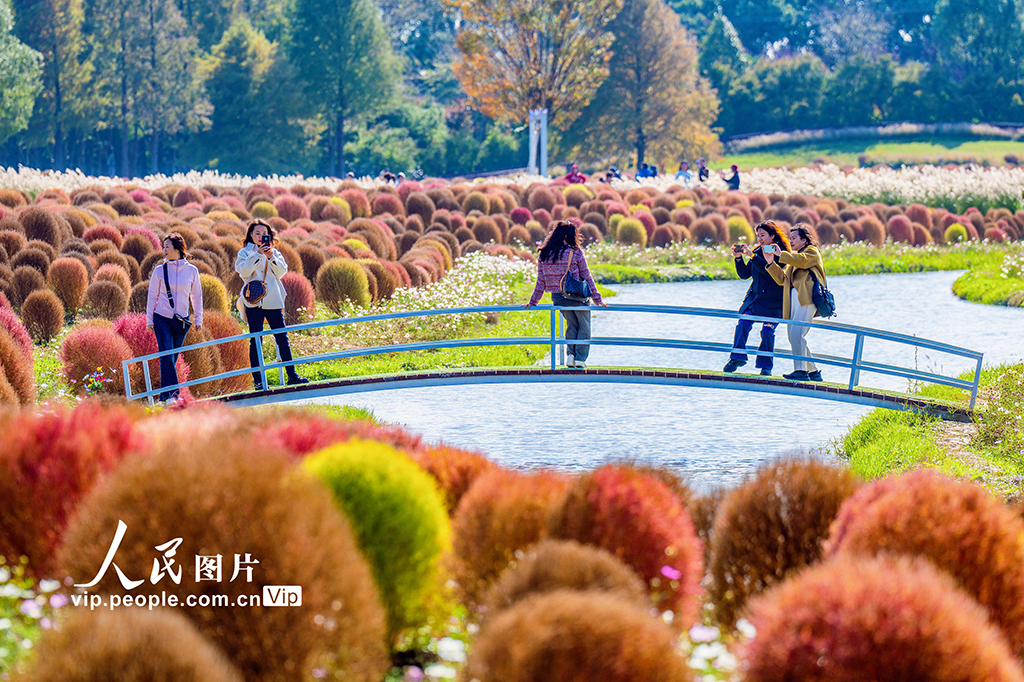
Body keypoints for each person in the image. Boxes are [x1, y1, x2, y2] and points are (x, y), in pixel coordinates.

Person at [235, 220, 309, 390]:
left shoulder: (274, 252)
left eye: (264, 234)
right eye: (257, 233)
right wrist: (257, 255)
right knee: (256, 341)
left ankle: (292, 374)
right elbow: (244, 271)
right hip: (253, 302)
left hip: (273, 300)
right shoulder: (244, 253)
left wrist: (270, 257)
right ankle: (259, 380)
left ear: (270, 235)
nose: (261, 237)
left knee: (282, 338)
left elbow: (282, 272)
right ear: (250, 235)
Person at [524, 220, 607, 368]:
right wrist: (597, 298)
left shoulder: (544, 254)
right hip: (578, 296)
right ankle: (580, 359)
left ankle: (570, 356)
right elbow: (587, 277)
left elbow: (540, 282)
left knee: (572, 325)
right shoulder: (575, 253)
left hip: (559, 298)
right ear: (571, 236)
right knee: (584, 326)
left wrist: (533, 302)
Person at [723, 220, 790, 376]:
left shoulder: (780, 252)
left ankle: (766, 366)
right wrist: (739, 258)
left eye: (763, 235)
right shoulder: (757, 251)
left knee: (767, 331)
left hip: (774, 303)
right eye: (758, 235)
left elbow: (769, 271)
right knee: (743, 323)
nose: (759, 238)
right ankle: (737, 358)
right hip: (755, 299)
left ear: (772, 236)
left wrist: (752, 255)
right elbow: (745, 274)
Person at [146, 233, 203, 403]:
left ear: (178, 248)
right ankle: (174, 396)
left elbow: (197, 296)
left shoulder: (192, 270)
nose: (164, 250)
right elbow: (152, 296)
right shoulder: (159, 270)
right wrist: (149, 319)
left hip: (181, 321)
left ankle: (165, 396)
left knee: (171, 358)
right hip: (161, 318)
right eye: (163, 247)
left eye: (167, 246)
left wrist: (198, 319)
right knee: (166, 355)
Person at [765, 223, 826, 382]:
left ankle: (800, 370)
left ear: (804, 240)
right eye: (789, 238)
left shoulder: (811, 252)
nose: (790, 241)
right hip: (795, 301)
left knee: (796, 334)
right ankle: (813, 371)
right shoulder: (794, 259)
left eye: (794, 238)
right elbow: (782, 280)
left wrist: (782, 255)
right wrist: (771, 262)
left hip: (806, 299)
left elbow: (803, 261)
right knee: (794, 336)